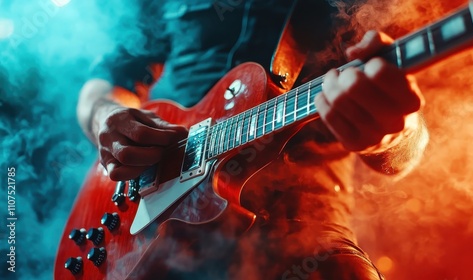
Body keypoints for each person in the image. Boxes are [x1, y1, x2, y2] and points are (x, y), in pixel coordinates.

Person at [77, 0, 428, 279]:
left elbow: (411, 139)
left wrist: (390, 134)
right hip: (150, 208)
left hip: (301, 223)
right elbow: (108, 78)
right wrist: (104, 115)